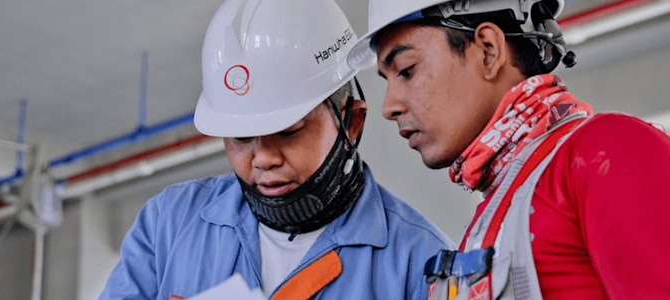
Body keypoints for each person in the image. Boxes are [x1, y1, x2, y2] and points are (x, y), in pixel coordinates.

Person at [99, 0, 452, 299]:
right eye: (240, 138)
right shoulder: (168, 225)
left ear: (352, 122)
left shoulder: (421, 262)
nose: (263, 159)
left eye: (288, 132)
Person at [348, 0, 670, 299]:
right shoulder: (491, 216)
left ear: (488, 50)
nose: (389, 106)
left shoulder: (606, 152)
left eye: (406, 70)